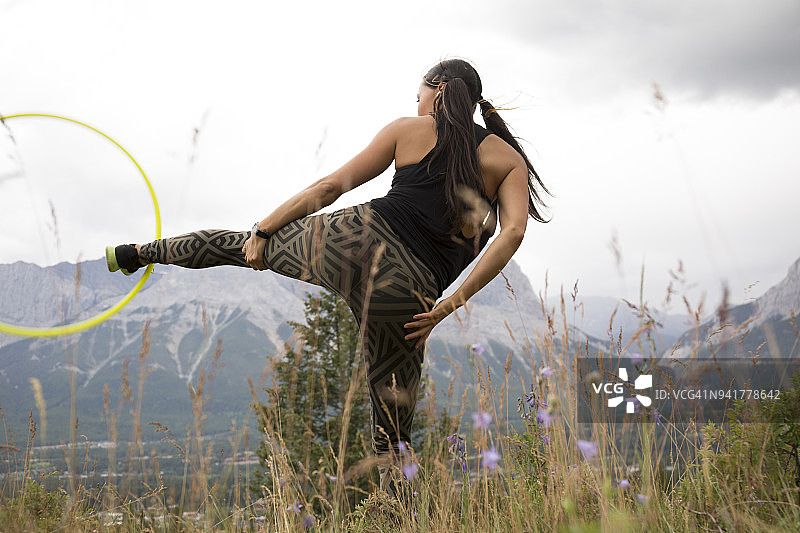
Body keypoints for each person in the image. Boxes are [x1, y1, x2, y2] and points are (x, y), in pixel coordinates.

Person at [106, 58, 549, 480]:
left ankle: (138, 253)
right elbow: (511, 234)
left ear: (436, 92)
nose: (417, 104)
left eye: (418, 95)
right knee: (392, 442)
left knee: (235, 246)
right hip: (409, 290)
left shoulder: (408, 129)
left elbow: (331, 185)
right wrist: (450, 303)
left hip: (351, 241)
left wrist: (263, 230)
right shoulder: (507, 159)